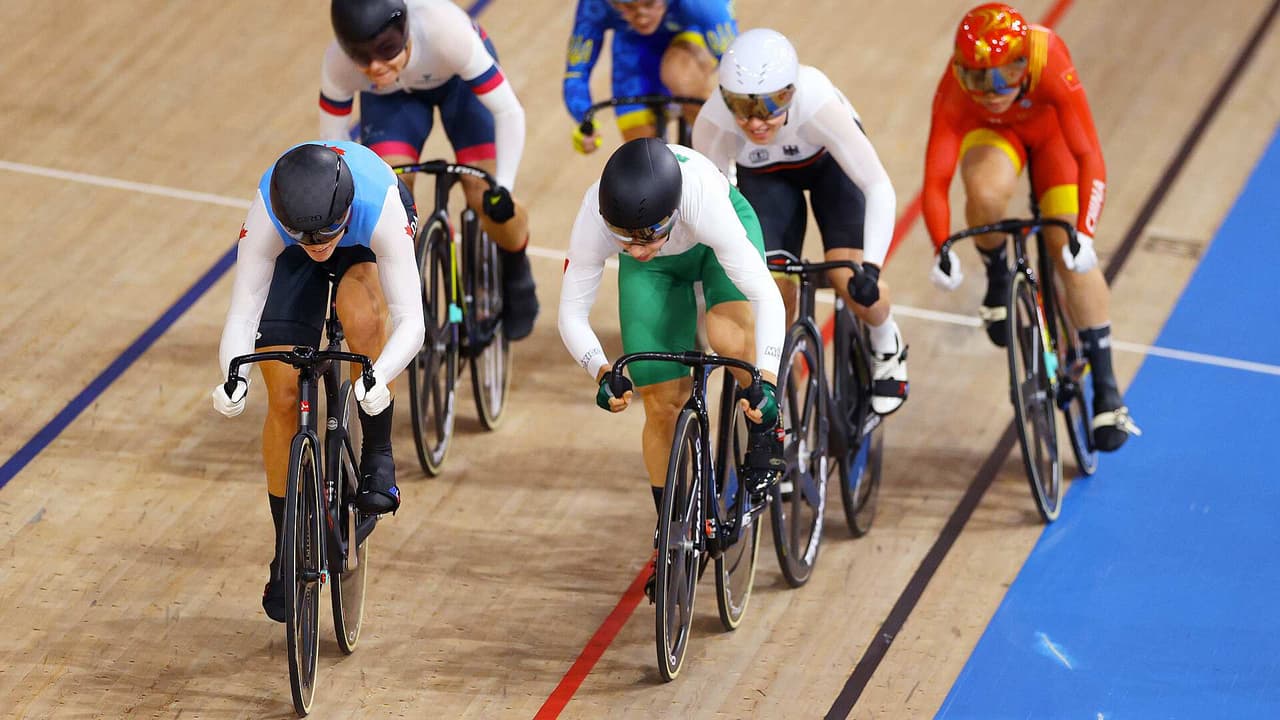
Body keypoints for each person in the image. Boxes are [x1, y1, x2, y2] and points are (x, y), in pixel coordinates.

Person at [558, 138, 786, 597]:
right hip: (660, 273)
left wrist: (768, 379)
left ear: (671, 212)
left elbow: (767, 296)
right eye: (624, 237)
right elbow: (571, 313)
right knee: (661, 402)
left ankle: (767, 432)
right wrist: (601, 371)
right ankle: (671, 534)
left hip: (714, 245)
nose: (635, 248)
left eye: (646, 236)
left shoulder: (703, 201)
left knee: (728, 335)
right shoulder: (597, 218)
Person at [211, 141, 424, 622]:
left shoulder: (379, 206)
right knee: (283, 394)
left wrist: (379, 377)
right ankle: (285, 544)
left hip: (363, 247)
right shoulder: (269, 214)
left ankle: (377, 453)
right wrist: (234, 378)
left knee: (365, 317)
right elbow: (242, 316)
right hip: (288, 258)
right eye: (308, 237)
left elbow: (414, 320)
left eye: (326, 233)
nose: (318, 244)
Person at [924, 3, 1139, 450]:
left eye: (1005, 76)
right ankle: (998, 275)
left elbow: (1089, 156)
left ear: (1026, 62)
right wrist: (940, 247)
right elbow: (936, 179)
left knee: (1068, 251)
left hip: (1054, 137)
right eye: (979, 79)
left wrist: (1085, 230)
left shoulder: (1050, 58)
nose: (992, 90)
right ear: (961, 72)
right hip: (996, 138)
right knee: (983, 194)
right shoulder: (954, 90)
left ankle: (1107, 387)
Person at [694, 28, 909, 415]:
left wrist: (871, 270)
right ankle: (786, 420)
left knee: (849, 280)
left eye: (770, 105)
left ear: (791, 93)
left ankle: (884, 336)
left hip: (830, 168)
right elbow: (709, 205)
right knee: (772, 294)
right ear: (726, 99)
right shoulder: (713, 122)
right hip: (766, 177)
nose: (757, 122)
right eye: (743, 107)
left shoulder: (818, 103)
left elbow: (878, 186)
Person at [319, 0, 538, 339]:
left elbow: (509, 111)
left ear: (405, 33)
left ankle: (515, 269)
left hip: (458, 84)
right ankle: (409, 292)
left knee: (484, 196)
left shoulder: (445, 31)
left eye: (386, 51)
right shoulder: (338, 63)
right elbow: (334, 149)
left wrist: (504, 188)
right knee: (389, 199)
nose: (376, 66)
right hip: (393, 100)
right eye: (362, 57)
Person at [565, 0, 737, 153]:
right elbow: (576, 73)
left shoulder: (702, 4)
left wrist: (744, 113)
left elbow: (735, 65)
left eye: (649, 4)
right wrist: (585, 122)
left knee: (680, 76)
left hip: (691, 32)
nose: (642, 17)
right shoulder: (595, 5)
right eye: (629, 7)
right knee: (640, 151)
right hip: (632, 45)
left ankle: (717, 152)